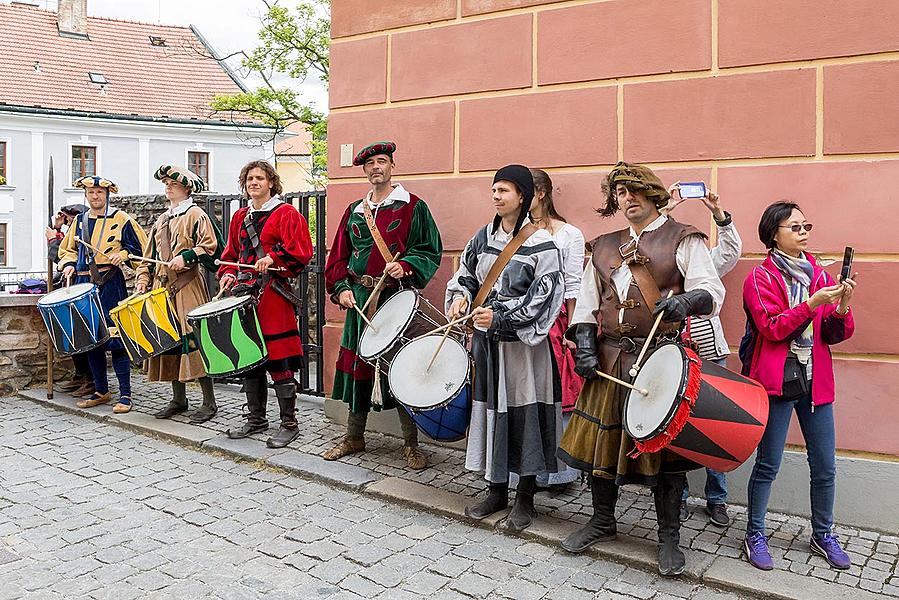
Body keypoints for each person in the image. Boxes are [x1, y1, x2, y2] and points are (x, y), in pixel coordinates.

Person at [557, 162, 725, 577]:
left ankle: (669, 536)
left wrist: (686, 302)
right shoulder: (605, 245)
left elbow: (712, 290)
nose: (626, 198)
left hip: (662, 362)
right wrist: (583, 344)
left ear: (653, 194)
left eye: (633, 190)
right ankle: (601, 520)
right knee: (603, 445)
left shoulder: (683, 238)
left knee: (663, 453)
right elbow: (586, 303)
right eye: (619, 193)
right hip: (612, 358)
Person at [446, 164, 565, 532]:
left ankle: (525, 497)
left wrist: (499, 317)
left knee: (524, 417)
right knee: (491, 414)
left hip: (523, 352)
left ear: (523, 197)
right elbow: (465, 274)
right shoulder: (481, 238)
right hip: (487, 347)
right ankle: (495, 489)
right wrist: (461, 299)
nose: (496, 196)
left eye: (505, 190)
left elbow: (546, 298)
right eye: (494, 190)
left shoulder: (543, 244)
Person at [741, 201, 856, 571]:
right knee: (768, 463)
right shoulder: (759, 278)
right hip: (777, 382)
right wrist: (810, 305)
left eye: (806, 226)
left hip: (815, 382)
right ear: (773, 233)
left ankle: (823, 534)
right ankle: (754, 532)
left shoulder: (820, 276)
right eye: (795, 227)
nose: (804, 233)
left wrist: (840, 308)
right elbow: (772, 328)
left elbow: (832, 335)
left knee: (824, 465)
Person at [323, 141, 443, 470]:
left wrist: (405, 266)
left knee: (400, 366)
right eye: (370, 163)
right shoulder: (353, 211)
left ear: (392, 166)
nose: (376, 167)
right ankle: (354, 435)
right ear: (364, 171)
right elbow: (338, 257)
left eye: (382, 161)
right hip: (361, 301)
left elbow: (430, 249)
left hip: (396, 299)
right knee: (360, 366)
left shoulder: (412, 207)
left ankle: (411, 443)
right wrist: (342, 289)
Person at [218, 160, 313, 448]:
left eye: (260, 178)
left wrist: (273, 258)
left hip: (273, 294)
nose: (254, 183)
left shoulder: (286, 214)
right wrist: (228, 275)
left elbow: (302, 250)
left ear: (271, 182)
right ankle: (257, 418)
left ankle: (289, 423)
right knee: (250, 356)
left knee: (278, 357)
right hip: (244, 295)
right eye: (249, 178)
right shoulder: (240, 217)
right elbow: (230, 254)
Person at [665, 184, 743, 527]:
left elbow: (731, 252)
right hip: (672, 354)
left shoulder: (702, 260)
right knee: (674, 426)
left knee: (717, 422)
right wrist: (667, 209)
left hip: (709, 351)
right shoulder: (656, 265)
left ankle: (717, 498)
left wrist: (718, 214)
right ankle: (678, 496)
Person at [135, 165, 224, 424]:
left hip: (188, 287)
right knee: (169, 341)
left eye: (173, 183)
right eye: (165, 183)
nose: (168, 186)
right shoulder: (162, 220)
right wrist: (142, 280)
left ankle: (209, 402)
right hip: (161, 290)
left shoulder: (195, 214)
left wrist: (185, 257)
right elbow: (149, 257)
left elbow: (211, 246)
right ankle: (179, 399)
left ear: (186, 188)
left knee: (194, 341)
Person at [58, 176, 149, 414]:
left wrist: (125, 254)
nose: (95, 196)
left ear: (107, 194)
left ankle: (126, 394)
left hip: (109, 284)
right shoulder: (79, 221)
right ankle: (100, 390)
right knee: (90, 339)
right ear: (86, 195)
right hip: (82, 283)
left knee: (116, 340)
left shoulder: (122, 220)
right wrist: (67, 264)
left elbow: (141, 251)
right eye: (91, 192)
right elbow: (67, 249)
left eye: (99, 192)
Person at [526, 168, 585, 491]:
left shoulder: (569, 234)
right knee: (527, 396)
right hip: (523, 320)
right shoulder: (516, 230)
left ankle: (560, 473)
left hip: (557, 320)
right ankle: (528, 469)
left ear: (541, 193)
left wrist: (572, 330)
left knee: (558, 396)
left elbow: (573, 284)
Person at [46, 203, 92, 397]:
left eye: (69, 219)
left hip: (83, 286)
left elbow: (62, 256)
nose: (68, 223)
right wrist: (57, 230)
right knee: (73, 334)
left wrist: (53, 240)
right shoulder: (68, 234)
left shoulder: (86, 231)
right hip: (70, 287)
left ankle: (91, 379)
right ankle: (81, 374)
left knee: (85, 335)